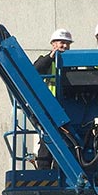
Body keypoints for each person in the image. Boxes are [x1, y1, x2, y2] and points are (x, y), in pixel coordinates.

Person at [32, 28, 73, 168]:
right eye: (62, 43)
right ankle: (44, 172)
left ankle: (58, 171)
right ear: (53, 44)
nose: (65, 46)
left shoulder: (72, 63)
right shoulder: (45, 61)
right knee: (47, 143)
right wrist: (50, 57)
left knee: (66, 144)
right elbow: (34, 71)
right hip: (49, 109)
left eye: (67, 43)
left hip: (66, 109)